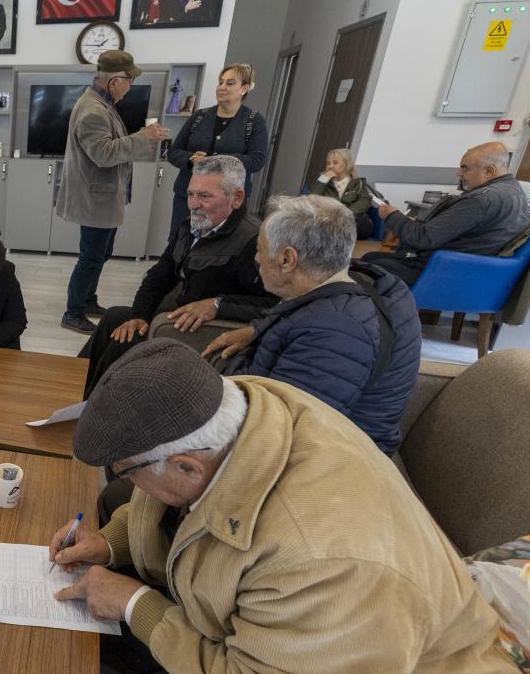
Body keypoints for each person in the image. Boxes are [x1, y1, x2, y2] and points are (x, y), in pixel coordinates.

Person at [50, 339, 528, 674]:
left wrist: (136, 604)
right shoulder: (246, 407)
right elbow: (174, 502)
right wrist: (110, 545)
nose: (127, 482)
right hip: (300, 635)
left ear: (187, 466)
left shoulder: (321, 559)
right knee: (117, 502)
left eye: (128, 468)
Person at [201, 195, 421, 454]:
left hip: (331, 462)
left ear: (287, 259)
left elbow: (282, 433)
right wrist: (258, 330)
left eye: (259, 249)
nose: (257, 259)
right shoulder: (367, 283)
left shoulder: (336, 332)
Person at [80, 156, 275, 396]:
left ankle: (92, 406)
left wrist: (218, 306)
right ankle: (70, 389)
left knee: (126, 340)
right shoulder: (189, 227)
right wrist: (140, 316)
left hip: (205, 330)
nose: (193, 204)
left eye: (205, 196)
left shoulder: (253, 241)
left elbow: (273, 307)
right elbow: (158, 276)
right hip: (180, 315)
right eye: (191, 194)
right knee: (114, 318)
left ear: (236, 198)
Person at [55, 50, 169, 334]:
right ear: (115, 80)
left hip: (103, 198)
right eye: (129, 81)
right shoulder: (93, 110)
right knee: (90, 258)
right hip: (95, 200)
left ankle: (88, 300)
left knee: (100, 254)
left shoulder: (101, 104)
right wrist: (144, 138)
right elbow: (104, 154)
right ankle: (73, 312)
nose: (130, 88)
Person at [363, 141, 530, 285]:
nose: (459, 174)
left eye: (465, 169)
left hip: (440, 273)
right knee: (372, 258)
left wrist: (392, 215)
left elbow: (423, 238)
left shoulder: (480, 200)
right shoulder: (515, 193)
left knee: (364, 265)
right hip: (473, 273)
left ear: (489, 171)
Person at [167, 63, 268, 239]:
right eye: (220, 82)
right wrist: (191, 160)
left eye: (229, 83)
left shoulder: (253, 121)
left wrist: (215, 160)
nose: (221, 87)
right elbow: (173, 152)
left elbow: (257, 160)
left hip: (227, 201)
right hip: (189, 197)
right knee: (179, 242)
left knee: (218, 247)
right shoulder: (199, 116)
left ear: (243, 89)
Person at [307, 147, 375, 238]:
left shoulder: (358, 183)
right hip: (328, 219)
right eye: (328, 163)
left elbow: (365, 201)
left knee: (362, 223)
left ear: (346, 164)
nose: (330, 166)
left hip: (349, 219)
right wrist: (323, 179)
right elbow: (311, 200)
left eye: (335, 163)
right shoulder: (322, 182)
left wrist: (344, 213)